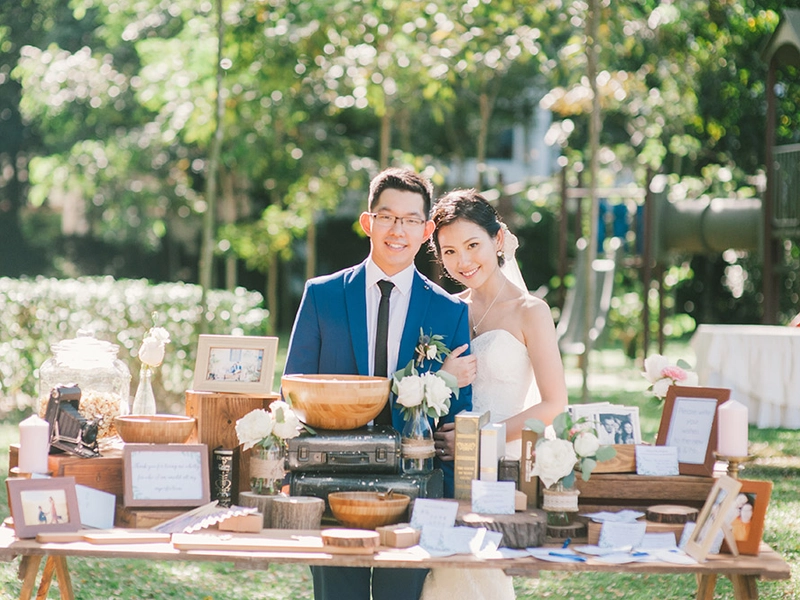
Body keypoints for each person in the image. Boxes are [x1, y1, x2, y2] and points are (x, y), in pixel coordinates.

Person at [284, 168, 473, 600]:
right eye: (387, 217)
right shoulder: (322, 295)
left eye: (410, 220)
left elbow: (456, 417)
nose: (397, 230)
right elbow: (292, 392)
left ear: (426, 231)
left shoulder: (449, 313)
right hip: (331, 482)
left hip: (415, 486)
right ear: (368, 222)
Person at [422, 189, 569, 600]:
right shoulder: (446, 309)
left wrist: (479, 440)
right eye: (449, 251)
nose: (463, 262)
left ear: (498, 240)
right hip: (443, 466)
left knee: (481, 578)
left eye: (473, 245)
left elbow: (554, 403)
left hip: (499, 466)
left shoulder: (530, 311)